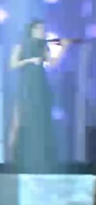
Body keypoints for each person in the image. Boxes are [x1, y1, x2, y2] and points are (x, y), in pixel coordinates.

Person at [9, 21, 70, 173]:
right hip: (27, 86)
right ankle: (20, 157)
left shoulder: (43, 45)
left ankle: (42, 160)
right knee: (24, 118)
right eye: (39, 28)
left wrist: (64, 48)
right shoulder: (21, 44)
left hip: (41, 86)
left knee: (41, 121)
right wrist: (30, 61)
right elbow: (13, 64)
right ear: (31, 30)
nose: (42, 30)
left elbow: (52, 63)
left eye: (43, 28)